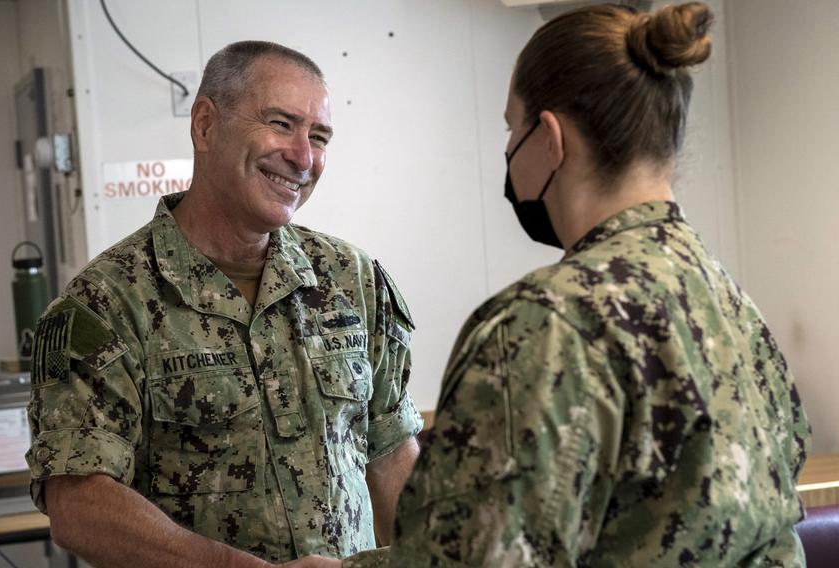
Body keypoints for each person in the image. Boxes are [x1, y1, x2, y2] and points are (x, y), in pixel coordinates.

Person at [289, 3, 811, 567]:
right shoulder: (727, 300)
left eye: (513, 127)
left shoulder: (543, 323)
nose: (510, 148)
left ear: (550, 139)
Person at [25, 41, 423, 567]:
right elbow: (79, 503)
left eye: (319, 136)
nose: (303, 157)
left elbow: (391, 452)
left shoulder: (351, 279)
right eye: (281, 124)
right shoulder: (108, 302)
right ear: (206, 126)